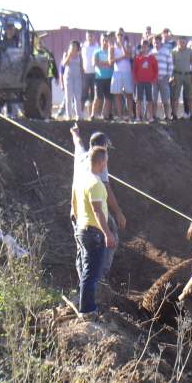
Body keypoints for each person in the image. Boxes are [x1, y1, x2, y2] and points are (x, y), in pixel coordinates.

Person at [70, 126, 126, 282]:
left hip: (76, 209)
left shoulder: (81, 155)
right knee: (109, 235)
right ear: (103, 147)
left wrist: (75, 133)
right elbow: (106, 189)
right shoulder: (100, 162)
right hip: (93, 210)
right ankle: (100, 277)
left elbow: (78, 143)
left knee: (82, 247)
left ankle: (85, 283)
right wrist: (118, 212)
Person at [71, 146, 117, 318]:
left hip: (82, 229)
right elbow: (97, 210)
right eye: (106, 161)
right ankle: (88, 310)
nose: (106, 164)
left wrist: (79, 221)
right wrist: (107, 233)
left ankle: (85, 304)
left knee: (85, 269)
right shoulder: (96, 183)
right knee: (92, 272)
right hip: (94, 232)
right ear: (101, 162)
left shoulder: (81, 180)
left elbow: (74, 203)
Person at [110, 29, 135, 120]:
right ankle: (120, 116)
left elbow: (129, 56)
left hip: (127, 72)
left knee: (129, 94)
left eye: (121, 35)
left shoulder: (128, 45)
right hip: (117, 72)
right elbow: (111, 61)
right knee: (117, 94)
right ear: (116, 36)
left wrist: (122, 46)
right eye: (118, 35)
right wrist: (122, 57)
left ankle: (130, 115)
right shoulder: (112, 47)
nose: (120, 36)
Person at [132, 40, 158, 122]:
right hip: (139, 82)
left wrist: (153, 80)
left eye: (146, 46)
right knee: (138, 100)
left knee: (149, 100)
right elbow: (134, 70)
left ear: (148, 47)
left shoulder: (152, 58)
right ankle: (138, 117)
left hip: (149, 82)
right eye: (143, 46)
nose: (144, 48)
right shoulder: (137, 58)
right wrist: (135, 79)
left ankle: (150, 117)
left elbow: (156, 70)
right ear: (141, 47)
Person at [171, 37, 192, 119]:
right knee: (176, 96)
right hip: (177, 75)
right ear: (178, 42)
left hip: (188, 75)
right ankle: (174, 115)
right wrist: (171, 76)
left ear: (186, 43)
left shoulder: (190, 51)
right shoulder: (174, 52)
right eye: (180, 42)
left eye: (184, 42)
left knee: (190, 96)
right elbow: (171, 65)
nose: (182, 43)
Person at [58, 40, 84, 120]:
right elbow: (63, 64)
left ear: (77, 47)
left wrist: (83, 78)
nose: (73, 47)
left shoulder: (79, 56)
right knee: (68, 97)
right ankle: (68, 115)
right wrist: (69, 55)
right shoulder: (66, 54)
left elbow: (81, 68)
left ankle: (78, 115)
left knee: (77, 97)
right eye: (72, 46)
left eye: (75, 46)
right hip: (68, 77)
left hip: (77, 77)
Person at [92, 33, 113, 120]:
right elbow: (95, 63)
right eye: (103, 40)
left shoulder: (110, 51)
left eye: (106, 40)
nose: (105, 42)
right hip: (99, 78)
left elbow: (111, 63)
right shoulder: (96, 52)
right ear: (100, 41)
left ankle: (105, 115)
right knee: (98, 97)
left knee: (108, 98)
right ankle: (93, 114)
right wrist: (106, 63)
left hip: (109, 77)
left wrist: (103, 63)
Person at [152, 35, 174, 120]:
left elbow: (170, 64)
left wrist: (168, 75)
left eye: (157, 42)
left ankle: (167, 116)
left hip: (164, 78)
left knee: (165, 99)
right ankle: (154, 116)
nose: (156, 44)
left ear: (161, 42)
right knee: (154, 99)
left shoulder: (166, 51)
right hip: (154, 79)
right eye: (154, 42)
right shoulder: (151, 52)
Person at [81, 32, 100, 114]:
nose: (90, 37)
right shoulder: (83, 46)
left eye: (91, 36)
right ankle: (80, 113)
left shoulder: (97, 47)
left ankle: (91, 114)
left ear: (94, 36)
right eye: (89, 36)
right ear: (86, 36)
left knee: (93, 95)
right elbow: (80, 59)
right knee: (84, 94)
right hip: (85, 73)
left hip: (95, 74)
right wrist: (81, 69)